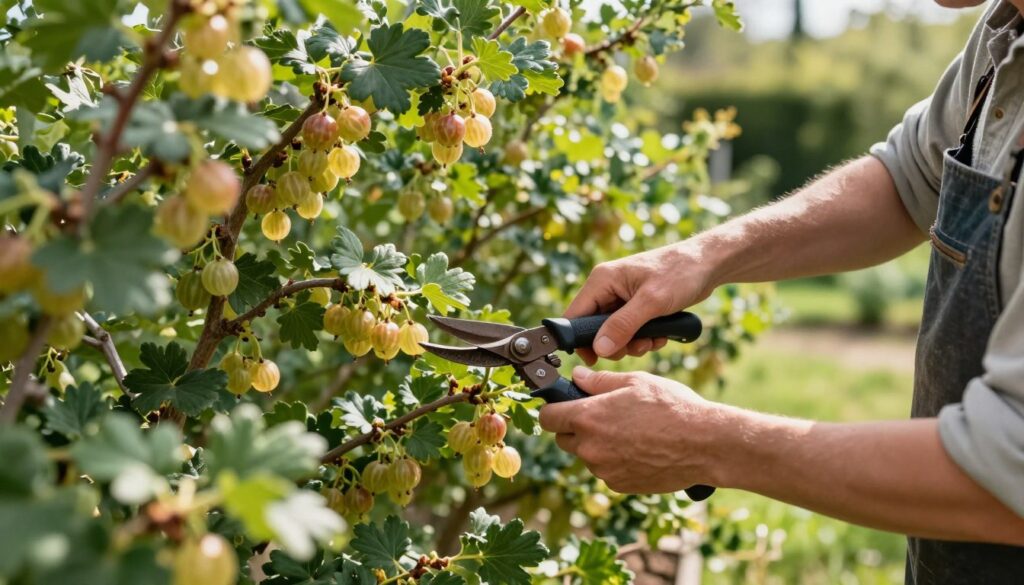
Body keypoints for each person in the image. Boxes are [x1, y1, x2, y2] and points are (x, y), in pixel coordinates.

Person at [539, 1, 1024, 583]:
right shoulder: (1004, 32)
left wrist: (708, 443)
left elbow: (1009, 472)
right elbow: (911, 177)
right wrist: (703, 256)